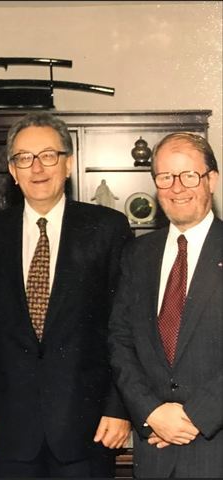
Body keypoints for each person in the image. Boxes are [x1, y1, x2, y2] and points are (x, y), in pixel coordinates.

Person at [0, 112, 133, 477]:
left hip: (87, 431)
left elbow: (125, 328)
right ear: (12, 170)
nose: (37, 168)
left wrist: (118, 409)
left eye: (48, 155)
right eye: (24, 158)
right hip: (8, 433)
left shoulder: (106, 228)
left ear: (68, 163)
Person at [109, 132, 222, 478]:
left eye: (189, 175)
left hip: (214, 446)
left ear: (211, 180)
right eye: (165, 177)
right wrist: (151, 412)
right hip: (154, 448)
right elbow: (120, 339)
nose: (177, 187)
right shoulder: (138, 254)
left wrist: (196, 417)